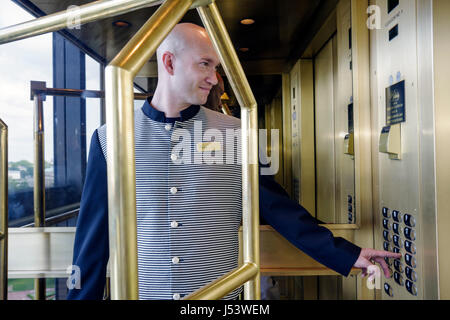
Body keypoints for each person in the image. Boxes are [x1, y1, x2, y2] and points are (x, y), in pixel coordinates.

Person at [67, 23, 399, 300]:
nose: (214, 78)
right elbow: (92, 245)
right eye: (205, 64)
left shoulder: (237, 133)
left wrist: (347, 253)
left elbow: (280, 211)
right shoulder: (109, 139)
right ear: (169, 63)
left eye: (216, 67)